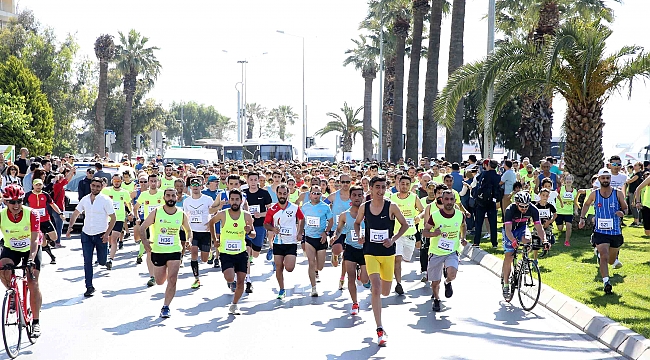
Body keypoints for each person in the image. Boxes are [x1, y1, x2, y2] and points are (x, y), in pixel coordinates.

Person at [354, 176, 409, 347]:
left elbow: (405, 225)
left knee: (385, 292)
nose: (380, 190)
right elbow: (357, 224)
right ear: (370, 188)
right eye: (377, 187)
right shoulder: (365, 207)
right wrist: (359, 236)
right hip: (370, 252)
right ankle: (379, 329)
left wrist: (392, 239)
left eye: (383, 187)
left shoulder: (391, 206)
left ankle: (370, 281)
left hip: (387, 254)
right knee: (376, 289)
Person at [140, 187, 192, 318]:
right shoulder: (157, 212)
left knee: (172, 279)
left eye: (173, 196)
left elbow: (188, 231)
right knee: (159, 281)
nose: (170, 198)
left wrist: (189, 240)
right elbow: (142, 227)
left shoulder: (181, 214)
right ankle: (166, 272)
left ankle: (166, 306)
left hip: (174, 250)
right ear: (164, 198)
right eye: (168, 196)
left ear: (177, 197)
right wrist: (145, 242)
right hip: (158, 251)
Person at [0, 185, 43, 337]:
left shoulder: (32, 213)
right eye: (12, 202)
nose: (16, 205)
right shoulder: (1, 215)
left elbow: (35, 239)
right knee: (3, 267)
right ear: (5, 202)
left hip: (31, 248)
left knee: (33, 282)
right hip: (11, 248)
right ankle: (12, 293)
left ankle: (36, 322)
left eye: (19, 201)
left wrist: (31, 259)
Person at [579, 169, 627, 295]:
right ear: (599, 179)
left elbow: (625, 207)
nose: (605, 180)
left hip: (615, 232)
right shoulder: (595, 194)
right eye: (603, 178)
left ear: (610, 179)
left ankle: (604, 258)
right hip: (600, 231)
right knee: (604, 255)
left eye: (607, 178)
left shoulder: (617, 193)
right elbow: (586, 204)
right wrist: (582, 218)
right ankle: (606, 282)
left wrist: (622, 213)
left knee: (611, 260)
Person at [66, 177, 117, 297]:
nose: (95, 188)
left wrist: (107, 234)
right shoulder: (85, 199)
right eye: (93, 186)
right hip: (86, 234)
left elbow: (113, 218)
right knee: (87, 261)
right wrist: (70, 227)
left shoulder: (105, 200)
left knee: (102, 261)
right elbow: (75, 213)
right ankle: (89, 286)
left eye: (98, 186)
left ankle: (106, 256)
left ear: (102, 187)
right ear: (90, 186)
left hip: (101, 235)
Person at [207, 188, 254, 315]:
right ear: (229, 200)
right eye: (232, 199)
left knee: (240, 281)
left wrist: (249, 231)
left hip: (241, 252)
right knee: (229, 277)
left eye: (237, 199)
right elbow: (210, 223)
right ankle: (230, 282)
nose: (234, 202)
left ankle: (234, 304)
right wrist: (215, 239)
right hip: (226, 252)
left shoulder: (246, 215)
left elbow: (253, 234)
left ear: (241, 201)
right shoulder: (223, 214)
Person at [422, 190, 466, 312]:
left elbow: (463, 225)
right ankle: (436, 299)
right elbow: (425, 232)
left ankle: (447, 282)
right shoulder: (435, 215)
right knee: (435, 282)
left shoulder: (459, 214)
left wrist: (463, 237)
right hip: (436, 252)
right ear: (442, 200)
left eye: (451, 199)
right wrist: (433, 233)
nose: (449, 202)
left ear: (454, 200)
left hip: (452, 251)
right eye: (446, 199)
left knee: (452, 274)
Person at [501, 191, 546, 299]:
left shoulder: (533, 209)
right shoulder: (510, 210)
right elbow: (507, 229)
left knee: (527, 240)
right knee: (509, 256)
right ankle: (506, 284)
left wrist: (544, 240)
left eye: (526, 206)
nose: (524, 209)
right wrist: (512, 240)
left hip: (522, 228)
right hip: (510, 230)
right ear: (516, 203)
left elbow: (539, 227)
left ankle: (523, 261)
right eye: (522, 207)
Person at [331, 185, 369, 314]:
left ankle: (361, 273)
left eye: (360, 195)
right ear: (350, 197)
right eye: (355, 195)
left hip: (365, 250)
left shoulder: (369, 213)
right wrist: (334, 236)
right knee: (350, 277)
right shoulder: (344, 215)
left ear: (363, 197)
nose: (357, 198)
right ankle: (355, 303)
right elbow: (339, 229)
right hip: (351, 248)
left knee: (365, 280)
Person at [264, 184, 304, 299]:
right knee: (279, 267)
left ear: (288, 194)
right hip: (278, 242)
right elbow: (266, 224)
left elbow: (302, 218)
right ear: (277, 194)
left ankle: (285, 261)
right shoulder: (272, 209)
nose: (282, 196)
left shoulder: (294, 207)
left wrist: (300, 232)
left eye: (284, 193)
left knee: (289, 268)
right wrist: (272, 229)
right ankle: (281, 290)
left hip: (291, 242)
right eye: (280, 193)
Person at [389, 175, 424, 295]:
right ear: (398, 184)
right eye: (402, 184)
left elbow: (423, 210)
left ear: (410, 185)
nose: (404, 186)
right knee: (397, 259)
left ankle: (398, 274)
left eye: (407, 184)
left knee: (407, 258)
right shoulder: (392, 198)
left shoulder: (414, 197)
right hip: (397, 234)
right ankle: (398, 284)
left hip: (410, 233)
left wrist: (419, 216)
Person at [184, 177, 218, 289]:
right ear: (190, 187)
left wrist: (211, 222)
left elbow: (214, 211)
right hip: (193, 231)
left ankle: (209, 253)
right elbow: (185, 216)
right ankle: (196, 279)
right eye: (192, 185)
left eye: (197, 185)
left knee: (203, 259)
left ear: (201, 186)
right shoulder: (187, 201)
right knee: (193, 253)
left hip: (205, 232)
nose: (195, 187)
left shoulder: (207, 199)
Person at [301, 185, 334, 297]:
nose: (315, 195)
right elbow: (301, 221)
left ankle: (316, 270)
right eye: (314, 193)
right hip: (309, 237)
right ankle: (313, 288)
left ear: (321, 194)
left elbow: (331, 221)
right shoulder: (305, 207)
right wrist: (300, 233)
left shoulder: (325, 207)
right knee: (311, 262)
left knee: (320, 266)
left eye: (318, 193)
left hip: (321, 238)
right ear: (310, 194)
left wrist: (326, 232)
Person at [133, 174, 164, 286]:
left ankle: (163, 272)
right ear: (148, 182)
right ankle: (152, 276)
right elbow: (135, 207)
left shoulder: (162, 194)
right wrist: (137, 218)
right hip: (148, 226)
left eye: (155, 181)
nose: (153, 183)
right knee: (149, 251)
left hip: (162, 226)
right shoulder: (144, 195)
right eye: (151, 181)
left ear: (158, 182)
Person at [24, 179, 62, 264]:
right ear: (33, 185)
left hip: (45, 220)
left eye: (40, 185)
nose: (38, 187)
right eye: (36, 185)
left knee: (54, 237)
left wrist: (60, 213)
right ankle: (52, 257)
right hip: (35, 222)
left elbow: (53, 204)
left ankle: (46, 237)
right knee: (43, 242)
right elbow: (22, 206)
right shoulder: (28, 195)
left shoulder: (45, 195)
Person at [101, 174, 132, 269]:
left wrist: (131, 212)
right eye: (115, 181)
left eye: (118, 181)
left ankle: (110, 260)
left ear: (121, 181)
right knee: (106, 239)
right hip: (107, 218)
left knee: (114, 239)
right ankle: (103, 256)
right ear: (112, 181)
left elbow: (128, 203)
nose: (117, 183)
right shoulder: (106, 191)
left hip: (119, 218)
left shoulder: (125, 192)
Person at [472, 160, 501, 248]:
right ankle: (494, 243)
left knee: (479, 222)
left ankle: (476, 242)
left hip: (481, 200)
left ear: (488, 165)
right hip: (492, 200)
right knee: (493, 222)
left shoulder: (484, 174)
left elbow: (477, 179)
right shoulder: (497, 176)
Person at [555, 174, 577, 247]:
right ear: (565, 181)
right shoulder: (560, 189)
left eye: (570, 179)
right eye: (567, 179)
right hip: (560, 211)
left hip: (569, 212)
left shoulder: (574, 191)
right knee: (560, 228)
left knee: (569, 226)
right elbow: (554, 195)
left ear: (572, 181)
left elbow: (575, 202)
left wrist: (575, 210)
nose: (568, 181)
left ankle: (567, 241)